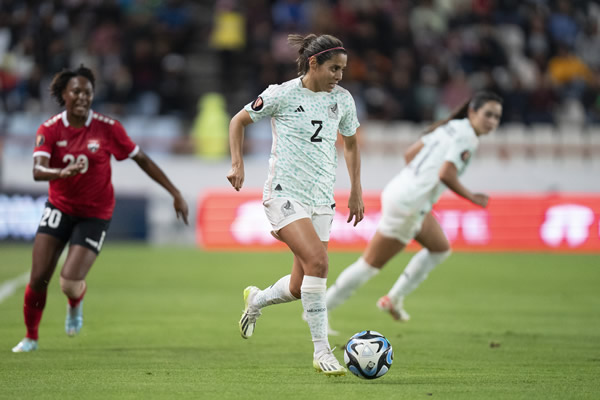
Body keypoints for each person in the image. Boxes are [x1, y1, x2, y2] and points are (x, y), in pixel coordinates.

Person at [12, 65, 189, 353]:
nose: (83, 97)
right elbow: (37, 170)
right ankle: (31, 337)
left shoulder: (108, 128)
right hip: (59, 207)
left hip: (95, 213)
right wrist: (63, 172)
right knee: (38, 277)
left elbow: (141, 159)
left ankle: (75, 302)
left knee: (69, 282)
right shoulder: (50, 129)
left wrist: (174, 192)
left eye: (88, 92)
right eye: (76, 91)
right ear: (64, 95)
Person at [227, 33, 364, 376]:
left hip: (321, 199)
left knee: (299, 285)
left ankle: (256, 300)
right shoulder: (282, 94)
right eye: (334, 68)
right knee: (319, 262)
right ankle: (321, 352)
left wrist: (356, 190)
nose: (339, 76)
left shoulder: (343, 101)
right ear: (313, 63)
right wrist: (237, 163)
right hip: (284, 193)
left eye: (343, 70)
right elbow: (238, 121)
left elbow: (350, 145)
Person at [326, 91, 503, 327]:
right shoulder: (468, 137)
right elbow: (446, 173)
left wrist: (418, 184)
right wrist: (472, 197)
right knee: (369, 264)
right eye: (488, 114)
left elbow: (410, 154)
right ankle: (321, 309)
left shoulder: (451, 127)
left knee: (440, 248)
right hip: (409, 204)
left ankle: (394, 298)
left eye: (497, 117)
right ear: (472, 112)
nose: (492, 121)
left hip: (402, 193)